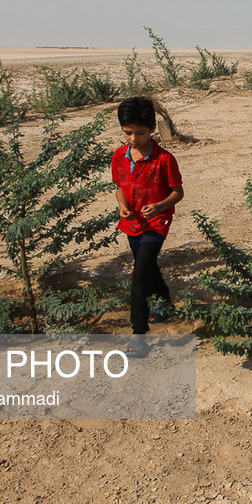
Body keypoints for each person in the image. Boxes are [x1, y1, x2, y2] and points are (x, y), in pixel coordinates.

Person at [111, 96, 184, 358]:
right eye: (127, 133)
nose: (133, 139)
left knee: (139, 274)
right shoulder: (118, 157)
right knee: (148, 267)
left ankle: (138, 335)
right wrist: (122, 205)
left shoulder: (165, 159)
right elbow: (119, 187)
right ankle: (165, 303)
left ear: (152, 128)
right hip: (131, 223)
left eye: (139, 133)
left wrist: (160, 206)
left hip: (156, 223)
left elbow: (178, 193)